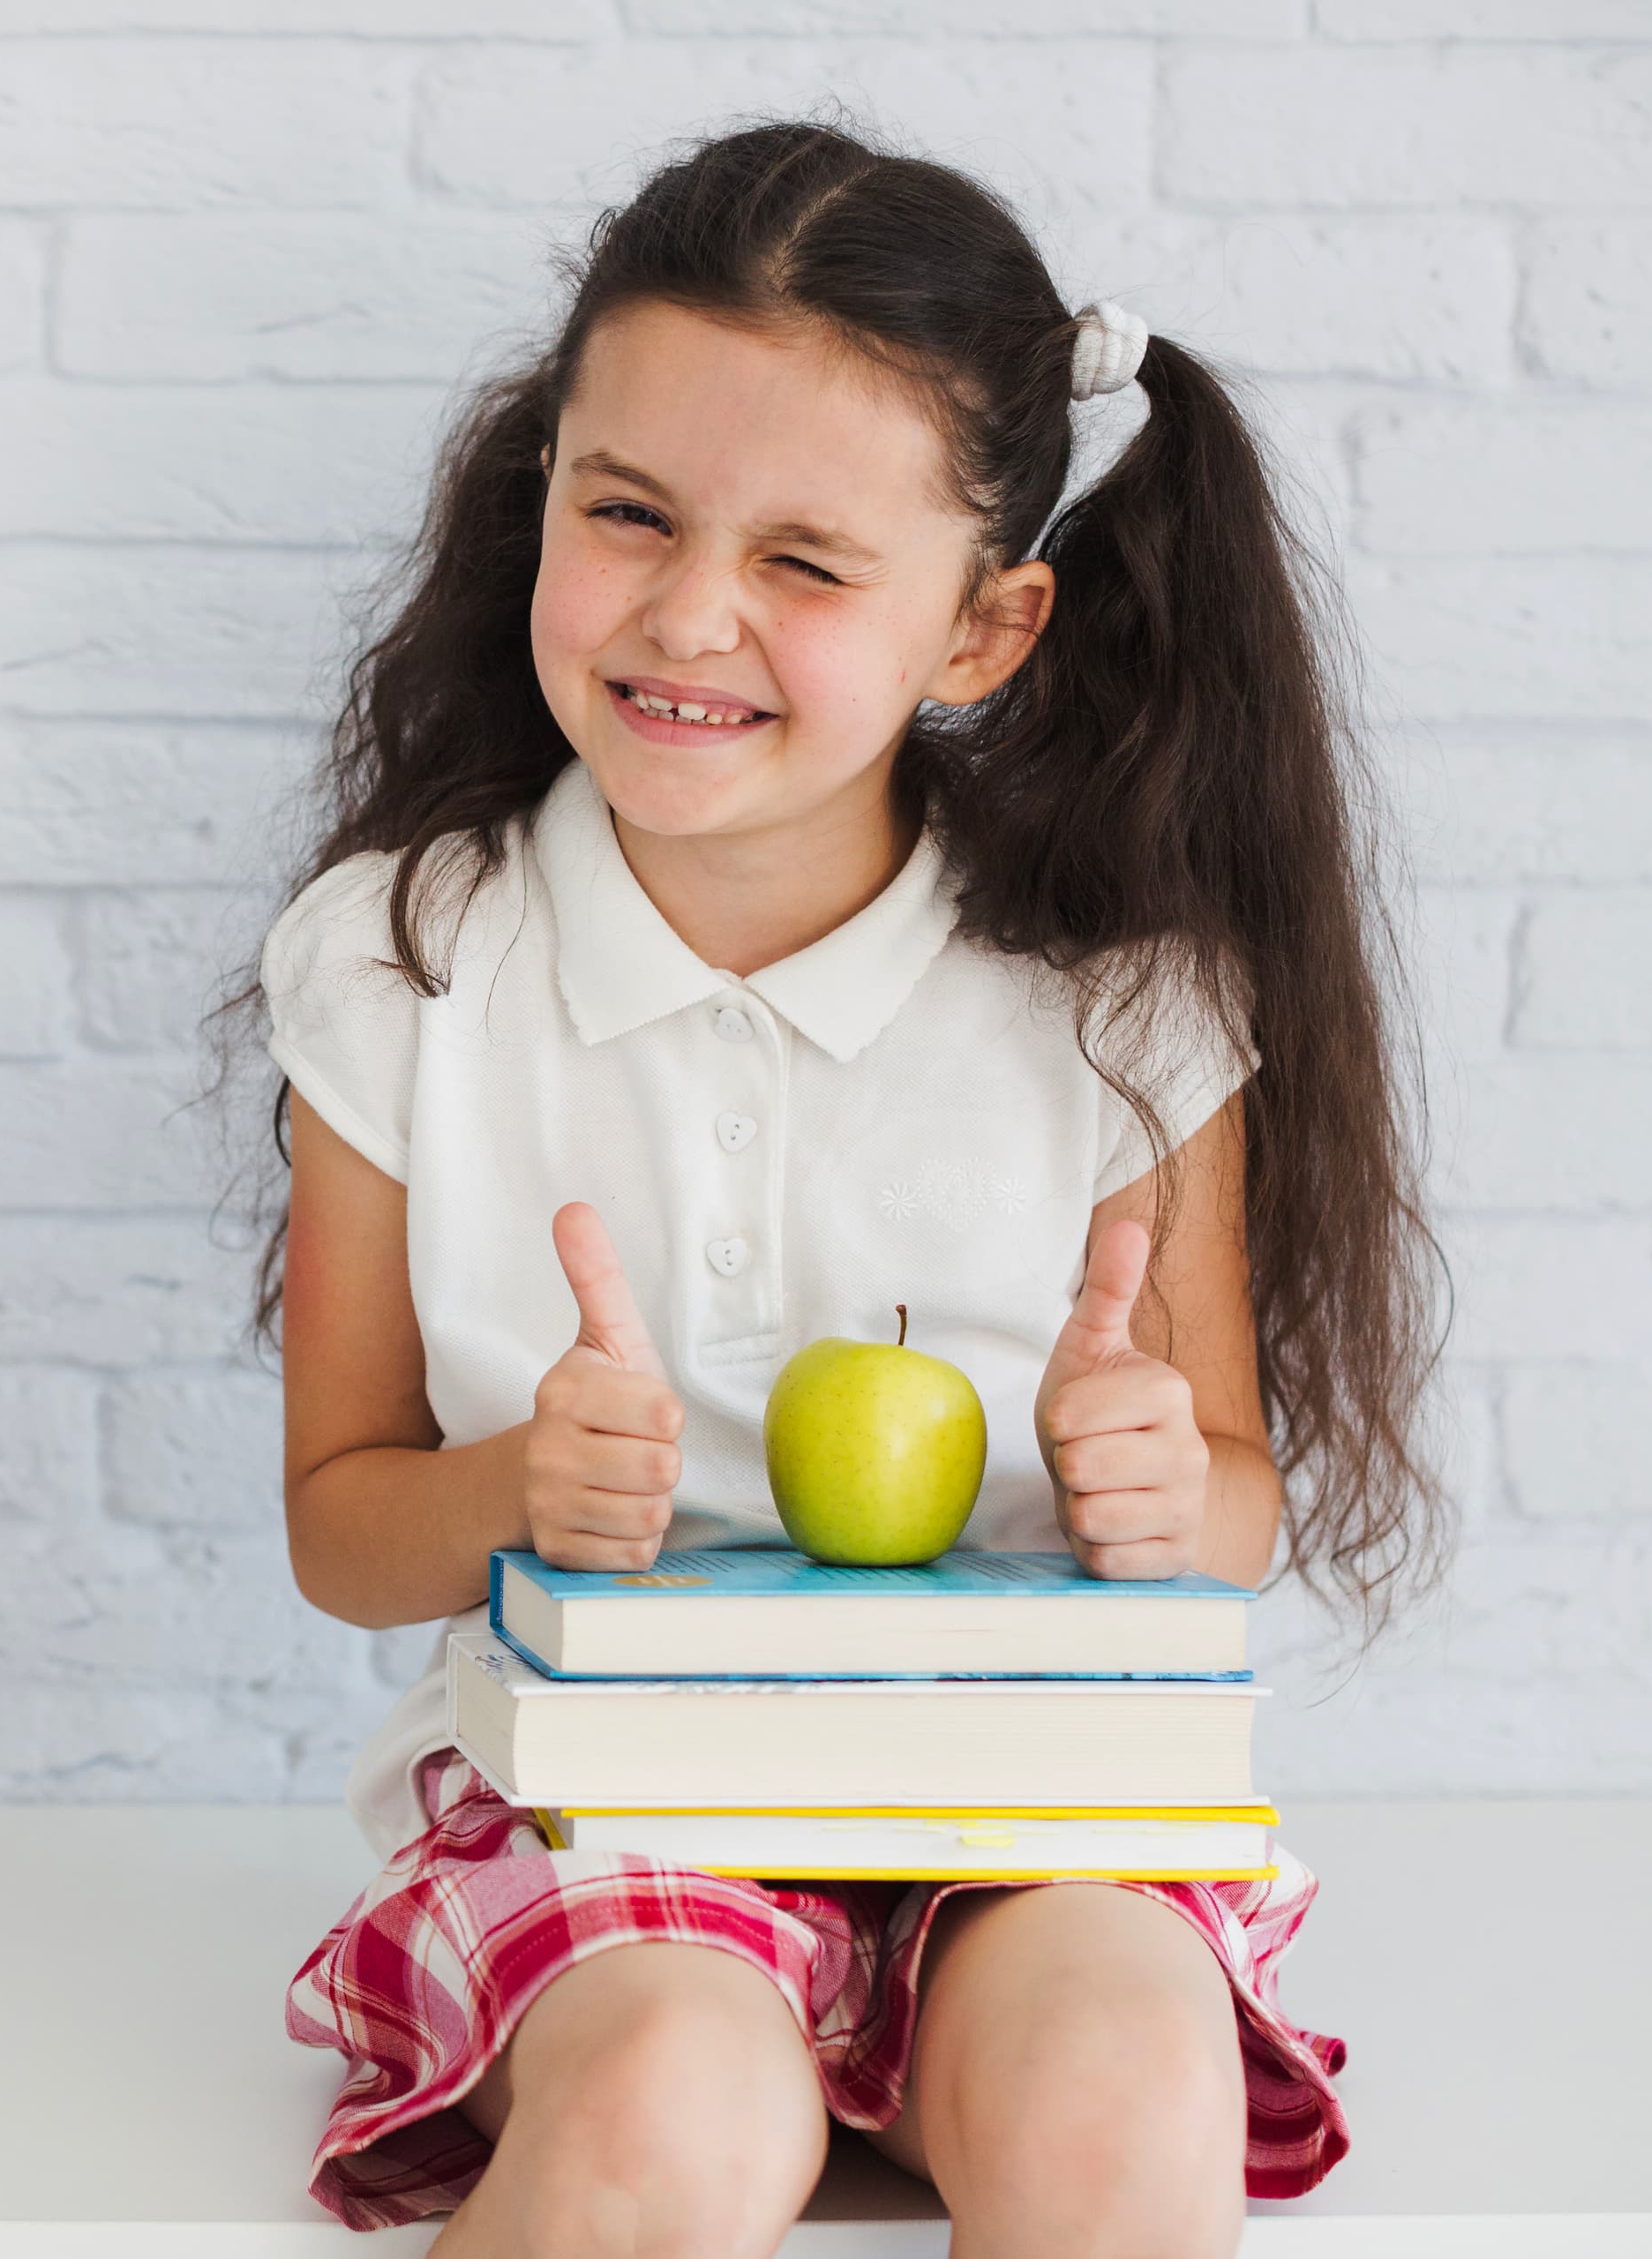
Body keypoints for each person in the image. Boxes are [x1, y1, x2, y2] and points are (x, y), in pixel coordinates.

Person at [233, 119, 1445, 2255]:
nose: (690, 612)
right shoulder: (402, 955)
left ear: (984, 628)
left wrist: (1161, 1485)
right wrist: (517, 1478)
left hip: (1026, 1811)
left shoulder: (1122, 1000)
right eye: (626, 514)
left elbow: (1235, 1495)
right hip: (611, 1822)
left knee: (1120, 2091)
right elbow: (346, 1517)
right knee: (683, 2107)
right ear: (547, 507)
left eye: (807, 560)